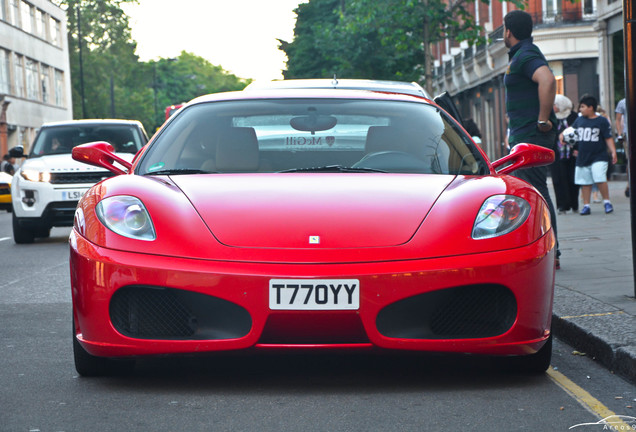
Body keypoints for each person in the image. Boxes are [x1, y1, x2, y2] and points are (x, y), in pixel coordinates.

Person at [503, 10, 561, 268]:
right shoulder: (523, 54)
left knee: (536, 192)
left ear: (508, 32)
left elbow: (547, 80)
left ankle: (551, 251)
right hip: (525, 133)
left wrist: (541, 120)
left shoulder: (525, 55)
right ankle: (543, 248)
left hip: (530, 135)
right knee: (532, 191)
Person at [562, 94, 617, 215]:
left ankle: (607, 202)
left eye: (582, 107)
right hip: (582, 157)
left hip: (599, 156)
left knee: (600, 178)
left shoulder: (601, 121)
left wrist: (613, 151)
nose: (580, 109)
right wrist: (563, 135)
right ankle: (586, 205)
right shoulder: (579, 120)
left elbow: (608, 137)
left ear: (590, 107)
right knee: (585, 182)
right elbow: (571, 132)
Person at [551, 94, 579, 214]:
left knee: (573, 179)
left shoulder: (574, 116)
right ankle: (562, 205)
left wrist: (577, 148)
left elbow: (579, 133)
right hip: (557, 153)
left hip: (572, 153)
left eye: (555, 105)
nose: (553, 107)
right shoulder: (551, 117)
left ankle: (574, 204)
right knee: (558, 180)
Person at [615, 97, 629, 197]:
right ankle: (629, 183)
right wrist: (619, 134)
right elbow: (618, 119)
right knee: (630, 161)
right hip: (628, 135)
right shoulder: (623, 102)